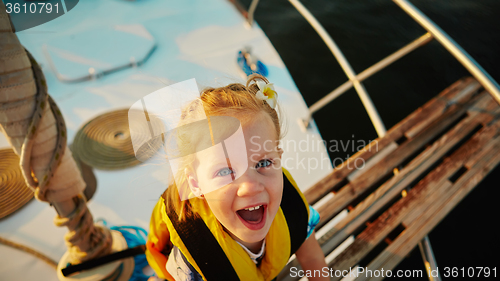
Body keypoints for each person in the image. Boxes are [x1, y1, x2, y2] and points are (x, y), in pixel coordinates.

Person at [146, 74, 328, 281]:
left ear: (278, 159)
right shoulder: (192, 260)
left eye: (263, 163)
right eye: (224, 171)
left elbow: (313, 259)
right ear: (195, 184)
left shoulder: (291, 206)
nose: (250, 187)